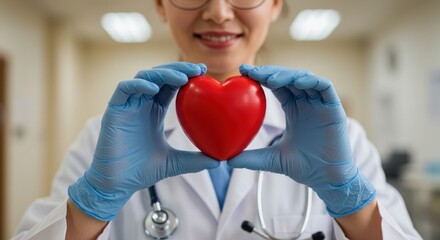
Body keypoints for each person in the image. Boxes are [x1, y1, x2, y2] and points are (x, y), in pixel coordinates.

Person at [13, 0, 421, 239]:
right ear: (160, 5)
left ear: (276, 4)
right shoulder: (102, 137)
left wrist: (354, 205)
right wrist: (91, 206)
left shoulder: (342, 138)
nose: (219, 12)